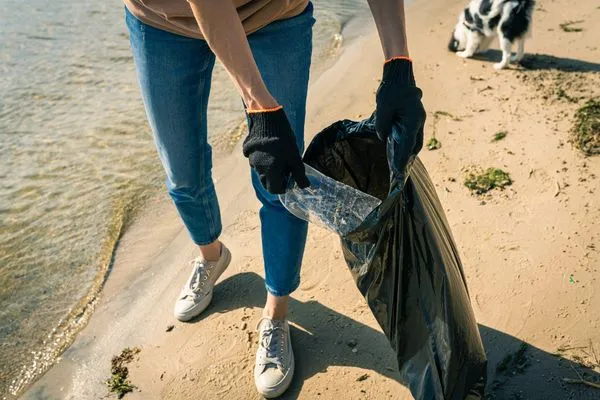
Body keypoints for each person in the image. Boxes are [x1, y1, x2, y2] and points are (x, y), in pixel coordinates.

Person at [123, 0, 425, 397]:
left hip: (273, 13)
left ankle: (277, 311)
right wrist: (260, 106)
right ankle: (211, 255)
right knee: (182, 169)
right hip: (164, 18)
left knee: (282, 179)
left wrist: (398, 63)